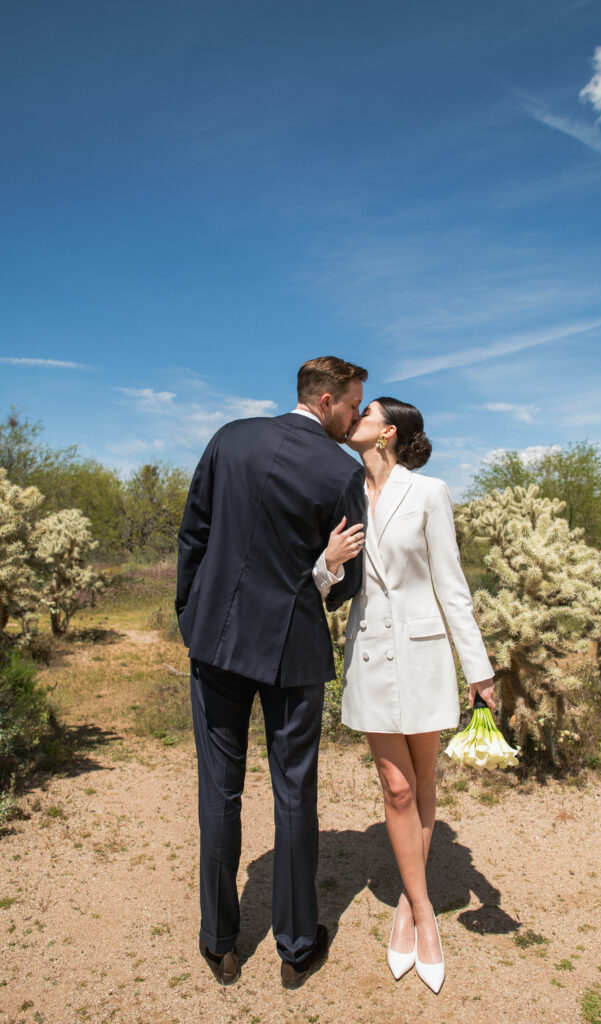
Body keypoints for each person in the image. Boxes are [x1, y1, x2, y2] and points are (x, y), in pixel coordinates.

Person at [176, 356, 368, 989]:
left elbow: (194, 534)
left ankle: (219, 942)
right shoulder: (340, 472)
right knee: (294, 795)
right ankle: (295, 946)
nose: (355, 417)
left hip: (218, 643)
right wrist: (325, 570)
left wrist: (191, 616)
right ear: (323, 397)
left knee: (219, 792)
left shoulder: (229, 438)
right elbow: (344, 586)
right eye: (351, 405)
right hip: (292, 652)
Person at [313, 397, 495, 994]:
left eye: (365, 412)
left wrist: (479, 670)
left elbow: (452, 584)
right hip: (367, 655)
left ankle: (405, 904)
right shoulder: (342, 490)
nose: (354, 418)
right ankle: (422, 912)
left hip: (421, 655)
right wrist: (326, 566)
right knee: (395, 788)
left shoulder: (429, 493)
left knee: (422, 785)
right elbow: (327, 582)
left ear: (386, 432)